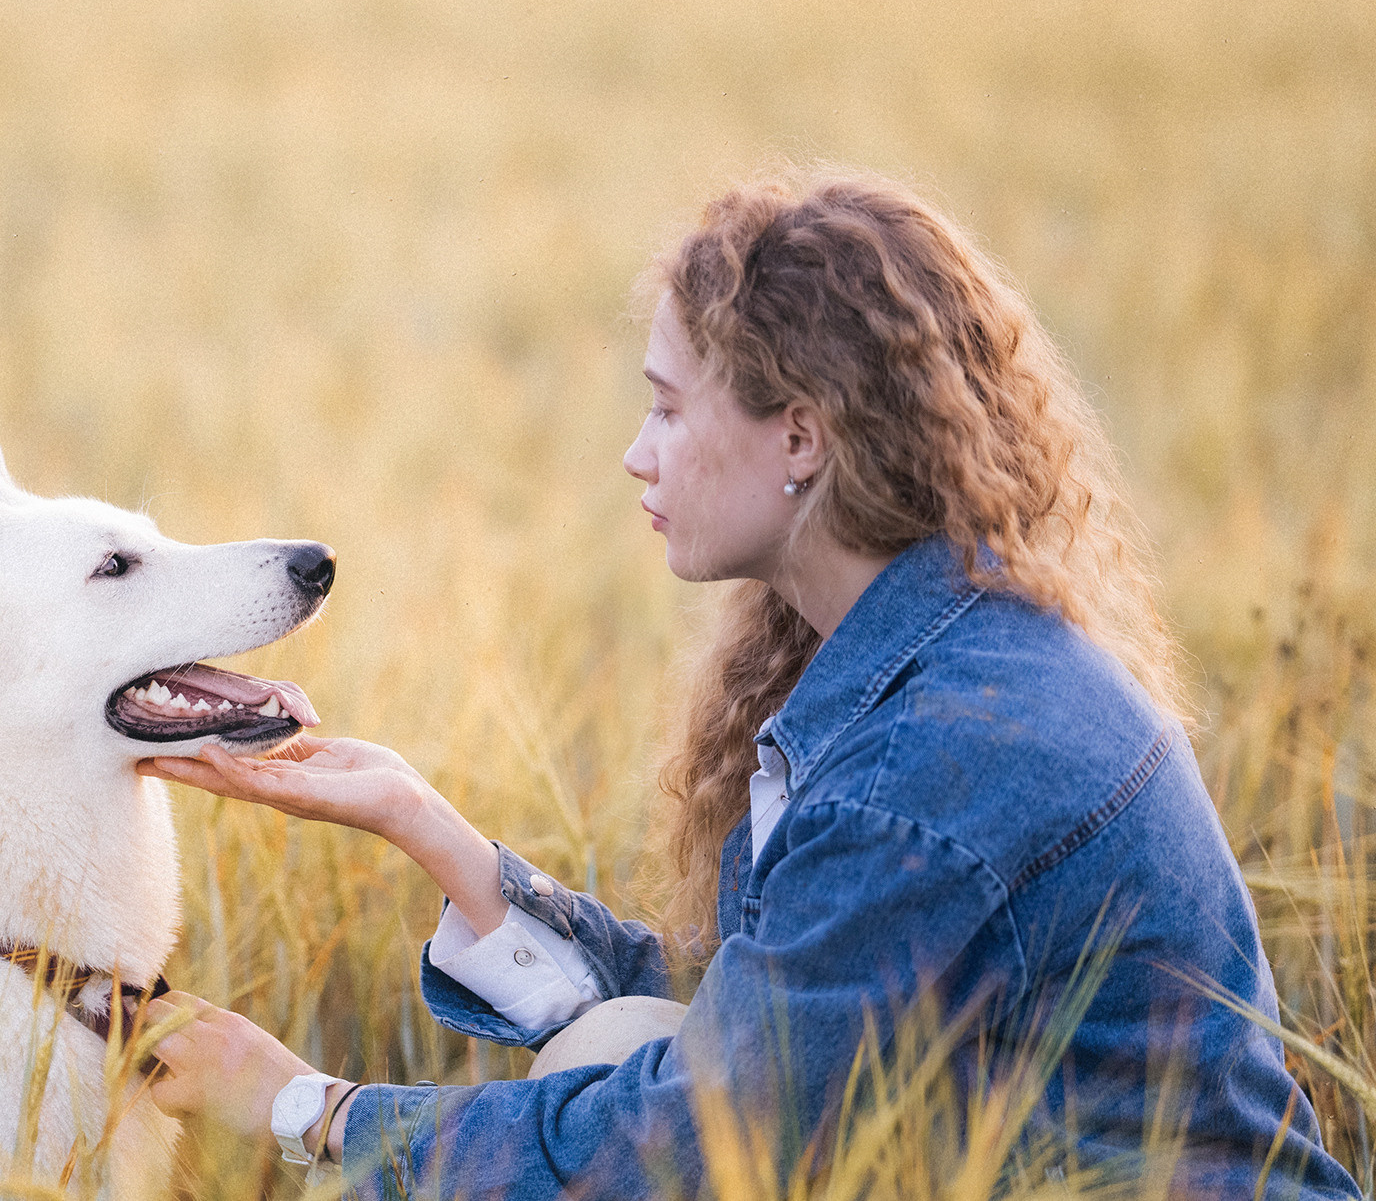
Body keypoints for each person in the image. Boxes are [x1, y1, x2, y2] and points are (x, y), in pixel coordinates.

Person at [137, 170, 1361, 1200]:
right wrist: (430, 829)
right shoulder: (937, 650)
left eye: (668, 405)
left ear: (800, 436)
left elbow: (680, 1144)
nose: (635, 449)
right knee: (615, 1038)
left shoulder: (932, 760)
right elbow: (769, 1026)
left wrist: (303, 1102)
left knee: (615, 1068)